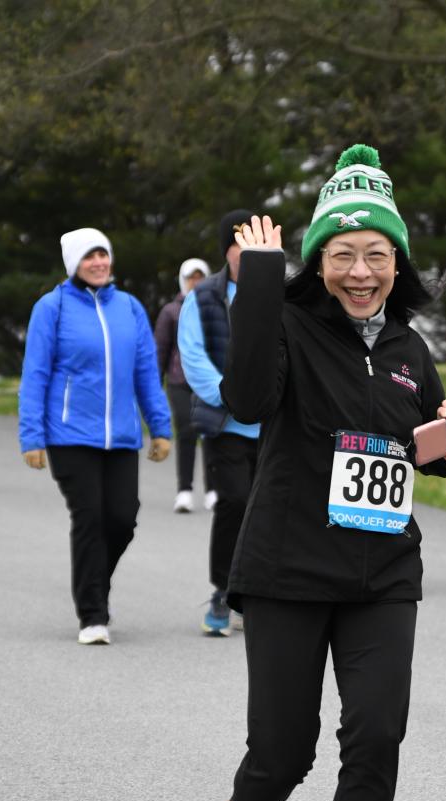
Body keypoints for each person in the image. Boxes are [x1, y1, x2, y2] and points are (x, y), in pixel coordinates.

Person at [219, 144, 446, 801]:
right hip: (290, 570)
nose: (361, 271)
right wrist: (260, 280)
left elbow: (417, 454)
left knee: (376, 736)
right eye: (343, 255)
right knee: (284, 750)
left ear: (397, 263)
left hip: (381, 576)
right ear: (319, 262)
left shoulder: (409, 347)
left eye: (376, 255)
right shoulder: (289, 325)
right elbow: (248, 398)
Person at [18, 228, 172, 644]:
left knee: (122, 519)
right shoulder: (52, 308)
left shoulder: (129, 308)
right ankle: (92, 615)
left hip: (120, 435)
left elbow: (145, 372)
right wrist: (31, 436)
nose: (100, 263)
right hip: (69, 434)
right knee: (89, 519)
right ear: (74, 263)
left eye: (104, 254)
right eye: (90, 257)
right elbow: (35, 374)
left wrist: (160, 426)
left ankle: (93, 582)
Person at [178, 211, 262, 636]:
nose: (244, 252)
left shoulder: (280, 292)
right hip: (226, 421)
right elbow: (194, 358)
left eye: (252, 242)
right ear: (225, 250)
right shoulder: (203, 296)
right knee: (233, 503)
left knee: (267, 509)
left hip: (273, 424)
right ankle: (222, 589)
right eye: (236, 243)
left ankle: (257, 594)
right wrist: (232, 396)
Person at [154, 257, 212, 513]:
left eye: (200, 277)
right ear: (183, 280)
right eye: (191, 278)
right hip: (179, 381)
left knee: (212, 433)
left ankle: (213, 490)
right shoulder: (171, 311)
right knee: (186, 432)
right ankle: (185, 490)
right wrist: (154, 386)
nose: (196, 282)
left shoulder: (217, 307)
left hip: (209, 381)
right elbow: (161, 349)